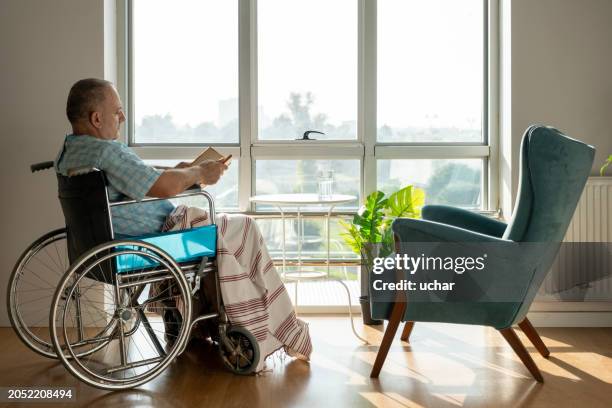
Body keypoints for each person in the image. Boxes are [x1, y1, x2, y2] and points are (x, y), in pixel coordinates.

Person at [55, 78, 311, 371]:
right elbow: (162, 188)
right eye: (118, 111)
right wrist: (200, 171)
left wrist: (183, 172)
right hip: (156, 241)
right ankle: (262, 324)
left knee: (222, 232)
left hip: (95, 247)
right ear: (96, 118)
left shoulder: (71, 152)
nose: (123, 117)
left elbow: (139, 179)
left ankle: (199, 318)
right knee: (245, 228)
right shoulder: (106, 151)